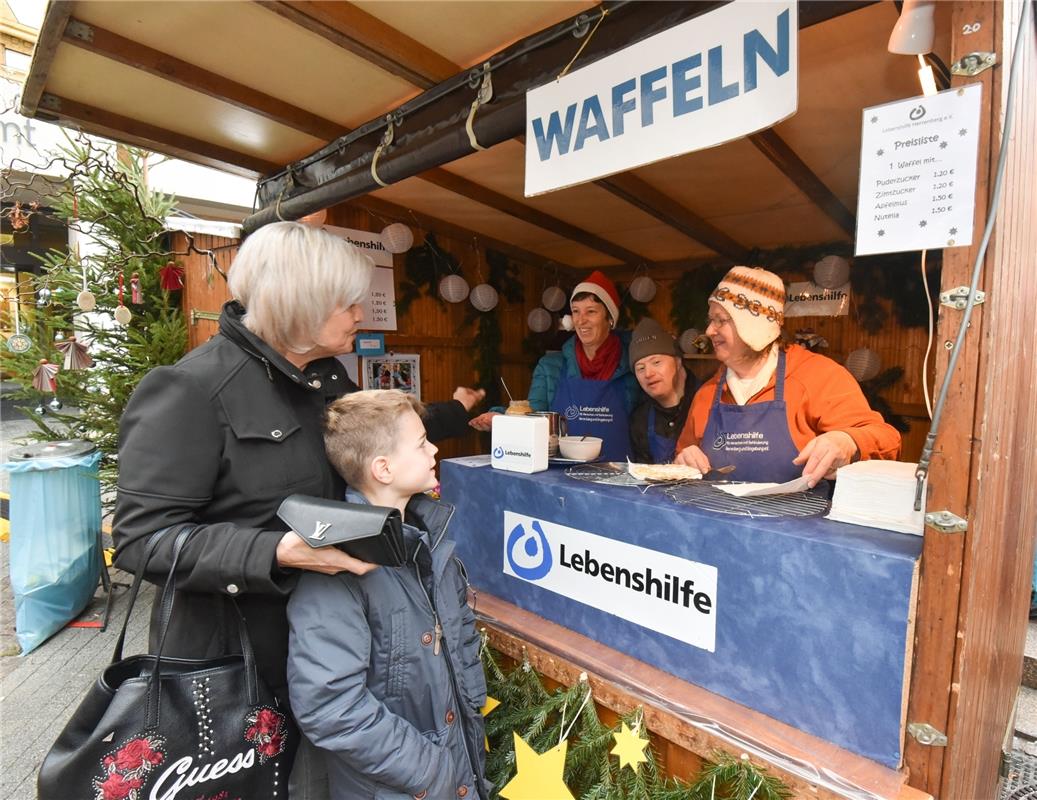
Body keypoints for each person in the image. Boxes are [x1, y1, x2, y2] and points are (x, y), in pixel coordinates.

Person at [112, 221, 485, 798]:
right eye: (348, 302)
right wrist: (278, 552)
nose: (362, 312)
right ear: (301, 305)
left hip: (335, 653)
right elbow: (141, 540)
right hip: (243, 665)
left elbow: (377, 439)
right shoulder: (191, 390)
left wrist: (454, 417)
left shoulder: (324, 376)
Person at [288, 390, 489, 800]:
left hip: (458, 771)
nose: (434, 448)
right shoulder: (336, 564)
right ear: (383, 468)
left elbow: (460, 642)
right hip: (405, 785)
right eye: (420, 443)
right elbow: (330, 707)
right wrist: (432, 771)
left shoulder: (431, 539)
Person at [674, 266, 901, 486]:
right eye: (710, 320)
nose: (710, 331)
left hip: (797, 523)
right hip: (718, 523)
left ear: (753, 326)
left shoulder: (818, 376)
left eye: (721, 320)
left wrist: (848, 441)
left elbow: (887, 439)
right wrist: (683, 461)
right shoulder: (707, 393)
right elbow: (683, 456)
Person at [470, 270, 641, 461]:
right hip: (563, 477)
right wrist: (501, 417)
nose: (581, 320)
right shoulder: (550, 366)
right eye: (576, 311)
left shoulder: (634, 365)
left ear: (610, 318)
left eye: (591, 311)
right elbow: (534, 415)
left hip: (619, 478)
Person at [628, 317, 699, 463]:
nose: (648, 373)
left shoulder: (705, 402)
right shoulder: (640, 419)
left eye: (656, 362)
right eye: (640, 368)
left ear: (678, 361)